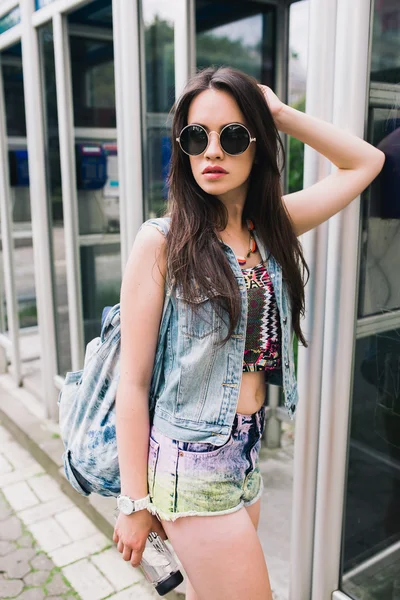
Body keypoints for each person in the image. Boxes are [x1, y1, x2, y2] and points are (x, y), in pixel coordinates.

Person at [112, 67, 385, 600]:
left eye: (233, 136)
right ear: (183, 149)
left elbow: (366, 162)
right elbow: (133, 382)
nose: (212, 151)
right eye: (196, 137)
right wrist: (134, 502)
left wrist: (279, 113)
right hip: (190, 462)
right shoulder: (163, 242)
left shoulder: (272, 224)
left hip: (246, 450)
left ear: (256, 148)